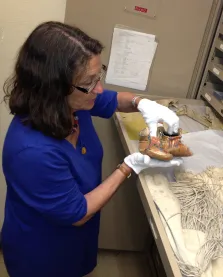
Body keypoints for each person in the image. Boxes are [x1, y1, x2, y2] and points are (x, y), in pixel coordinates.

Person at [1, 21, 183, 277]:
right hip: (42, 250)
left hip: (75, 237)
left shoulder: (74, 104)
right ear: (55, 87)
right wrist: (127, 167)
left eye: (99, 76)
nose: (98, 88)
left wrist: (144, 103)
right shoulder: (32, 151)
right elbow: (78, 212)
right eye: (89, 82)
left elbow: (111, 99)